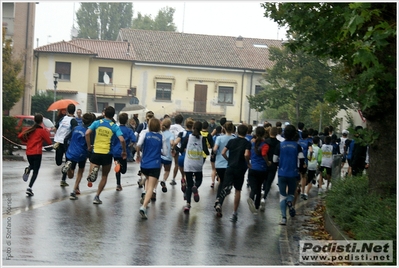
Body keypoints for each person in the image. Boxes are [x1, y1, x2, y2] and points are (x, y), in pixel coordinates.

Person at [85, 106, 127, 204]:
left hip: (96, 151)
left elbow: (87, 133)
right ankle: (97, 196)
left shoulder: (97, 123)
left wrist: (89, 146)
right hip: (107, 153)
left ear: (104, 113)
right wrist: (124, 151)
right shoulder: (114, 126)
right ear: (113, 115)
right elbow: (122, 140)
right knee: (104, 176)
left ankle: (92, 173)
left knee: (93, 165)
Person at [214, 124, 251, 222]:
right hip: (240, 168)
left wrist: (228, 159)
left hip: (230, 167)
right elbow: (246, 154)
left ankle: (219, 202)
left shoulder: (232, 141)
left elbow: (223, 152)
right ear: (246, 133)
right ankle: (234, 213)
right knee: (238, 190)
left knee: (225, 186)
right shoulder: (247, 142)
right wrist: (247, 162)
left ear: (237, 132)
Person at [273, 124, 306, 225]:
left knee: (282, 196)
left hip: (282, 173)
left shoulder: (279, 145)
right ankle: (290, 202)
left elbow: (274, 159)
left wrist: (280, 165)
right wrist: (300, 171)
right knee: (291, 193)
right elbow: (301, 159)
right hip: (293, 173)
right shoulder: (297, 146)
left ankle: (283, 218)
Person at [177, 121, 210, 213]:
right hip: (198, 164)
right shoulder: (202, 139)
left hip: (188, 163)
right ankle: (196, 187)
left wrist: (176, 149)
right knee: (199, 180)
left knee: (189, 185)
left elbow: (181, 148)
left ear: (193, 128)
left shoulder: (188, 137)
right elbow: (206, 151)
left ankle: (188, 204)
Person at [136, 117, 164, 219]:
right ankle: (143, 207)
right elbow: (164, 152)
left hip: (144, 163)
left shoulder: (145, 134)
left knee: (147, 179)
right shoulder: (161, 137)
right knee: (152, 187)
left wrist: (138, 154)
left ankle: (144, 185)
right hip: (155, 164)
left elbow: (138, 144)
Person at [62, 113, 95, 199]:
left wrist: (66, 149)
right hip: (81, 153)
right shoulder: (88, 132)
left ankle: (69, 168)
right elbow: (90, 144)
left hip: (71, 152)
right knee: (80, 172)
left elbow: (66, 139)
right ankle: (73, 191)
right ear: (91, 122)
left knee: (70, 175)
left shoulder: (75, 128)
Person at [19, 114, 52, 196]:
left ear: (34, 120)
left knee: (32, 166)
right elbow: (49, 142)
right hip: (37, 153)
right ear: (41, 121)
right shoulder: (42, 130)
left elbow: (20, 136)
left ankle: (28, 169)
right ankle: (29, 188)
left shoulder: (30, 129)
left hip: (29, 152)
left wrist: (26, 141)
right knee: (36, 171)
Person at [53, 104, 78, 187]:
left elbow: (54, 128)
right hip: (67, 143)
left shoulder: (62, 118)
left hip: (58, 142)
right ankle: (63, 180)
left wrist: (58, 135)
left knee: (58, 162)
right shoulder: (73, 120)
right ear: (74, 111)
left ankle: (63, 179)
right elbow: (75, 131)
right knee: (68, 162)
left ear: (67, 110)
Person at [247, 126, 269, 215]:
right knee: (259, 188)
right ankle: (256, 206)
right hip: (262, 169)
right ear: (264, 134)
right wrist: (268, 162)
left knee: (253, 187)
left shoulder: (251, 144)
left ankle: (251, 198)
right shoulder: (265, 145)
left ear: (255, 134)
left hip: (252, 168)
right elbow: (264, 154)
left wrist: (248, 162)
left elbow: (247, 154)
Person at [112, 113, 136, 191]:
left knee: (117, 169)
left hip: (115, 151)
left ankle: (118, 184)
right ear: (126, 121)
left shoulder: (115, 129)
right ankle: (120, 167)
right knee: (124, 170)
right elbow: (134, 140)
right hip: (124, 152)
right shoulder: (129, 130)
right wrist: (130, 145)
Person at [173, 117, 194, 196]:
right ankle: (186, 192)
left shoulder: (182, 133)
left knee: (183, 174)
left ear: (185, 124)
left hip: (181, 157)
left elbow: (175, 142)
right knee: (189, 176)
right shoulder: (194, 134)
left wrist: (173, 149)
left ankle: (183, 180)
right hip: (190, 157)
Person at [212, 122, 235, 198]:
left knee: (221, 181)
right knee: (228, 182)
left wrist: (217, 152)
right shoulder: (234, 138)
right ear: (232, 129)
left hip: (219, 164)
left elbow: (215, 149)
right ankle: (224, 194)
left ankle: (218, 199)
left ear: (224, 129)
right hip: (230, 164)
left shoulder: (219, 138)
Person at [260, 126, 280, 211]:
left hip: (264, 163)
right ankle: (264, 197)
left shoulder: (265, 142)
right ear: (277, 133)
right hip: (274, 164)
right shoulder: (279, 143)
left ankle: (262, 190)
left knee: (264, 179)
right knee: (269, 181)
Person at [159, 118, 175, 193]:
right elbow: (172, 143)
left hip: (160, 155)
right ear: (169, 126)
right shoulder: (171, 134)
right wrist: (173, 148)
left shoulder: (160, 134)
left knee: (158, 171)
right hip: (168, 156)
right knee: (167, 171)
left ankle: (154, 188)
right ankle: (164, 180)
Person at [169, 114, 185, 186]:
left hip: (168, 145)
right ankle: (174, 178)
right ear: (182, 121)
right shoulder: (182, 130)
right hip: (177, 146)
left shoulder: (170, 127)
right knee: (177, 164)